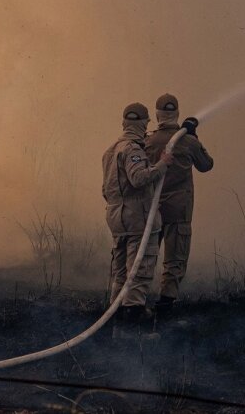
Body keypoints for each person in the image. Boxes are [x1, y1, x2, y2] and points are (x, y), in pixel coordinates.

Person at [102, 102, 173, 335]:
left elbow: (107, 189)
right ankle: (133, 327)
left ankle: (115, 325)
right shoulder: (132, 149)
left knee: (120, 272)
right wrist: (162, 165)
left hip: (117, 220)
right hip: (138, 220)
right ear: (143, 124)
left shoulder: (110, 150)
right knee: (139, 269)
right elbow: (139, 178)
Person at [145, 93, 214, 316]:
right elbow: (206, 165)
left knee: (145, 255)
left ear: (157, 115)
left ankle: (135, 300)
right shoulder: (188, 142)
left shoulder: (147, 141)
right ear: (177, 113)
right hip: (179, 209)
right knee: (175, 258)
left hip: (152, 211)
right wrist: (193, 136)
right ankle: (165, 305)